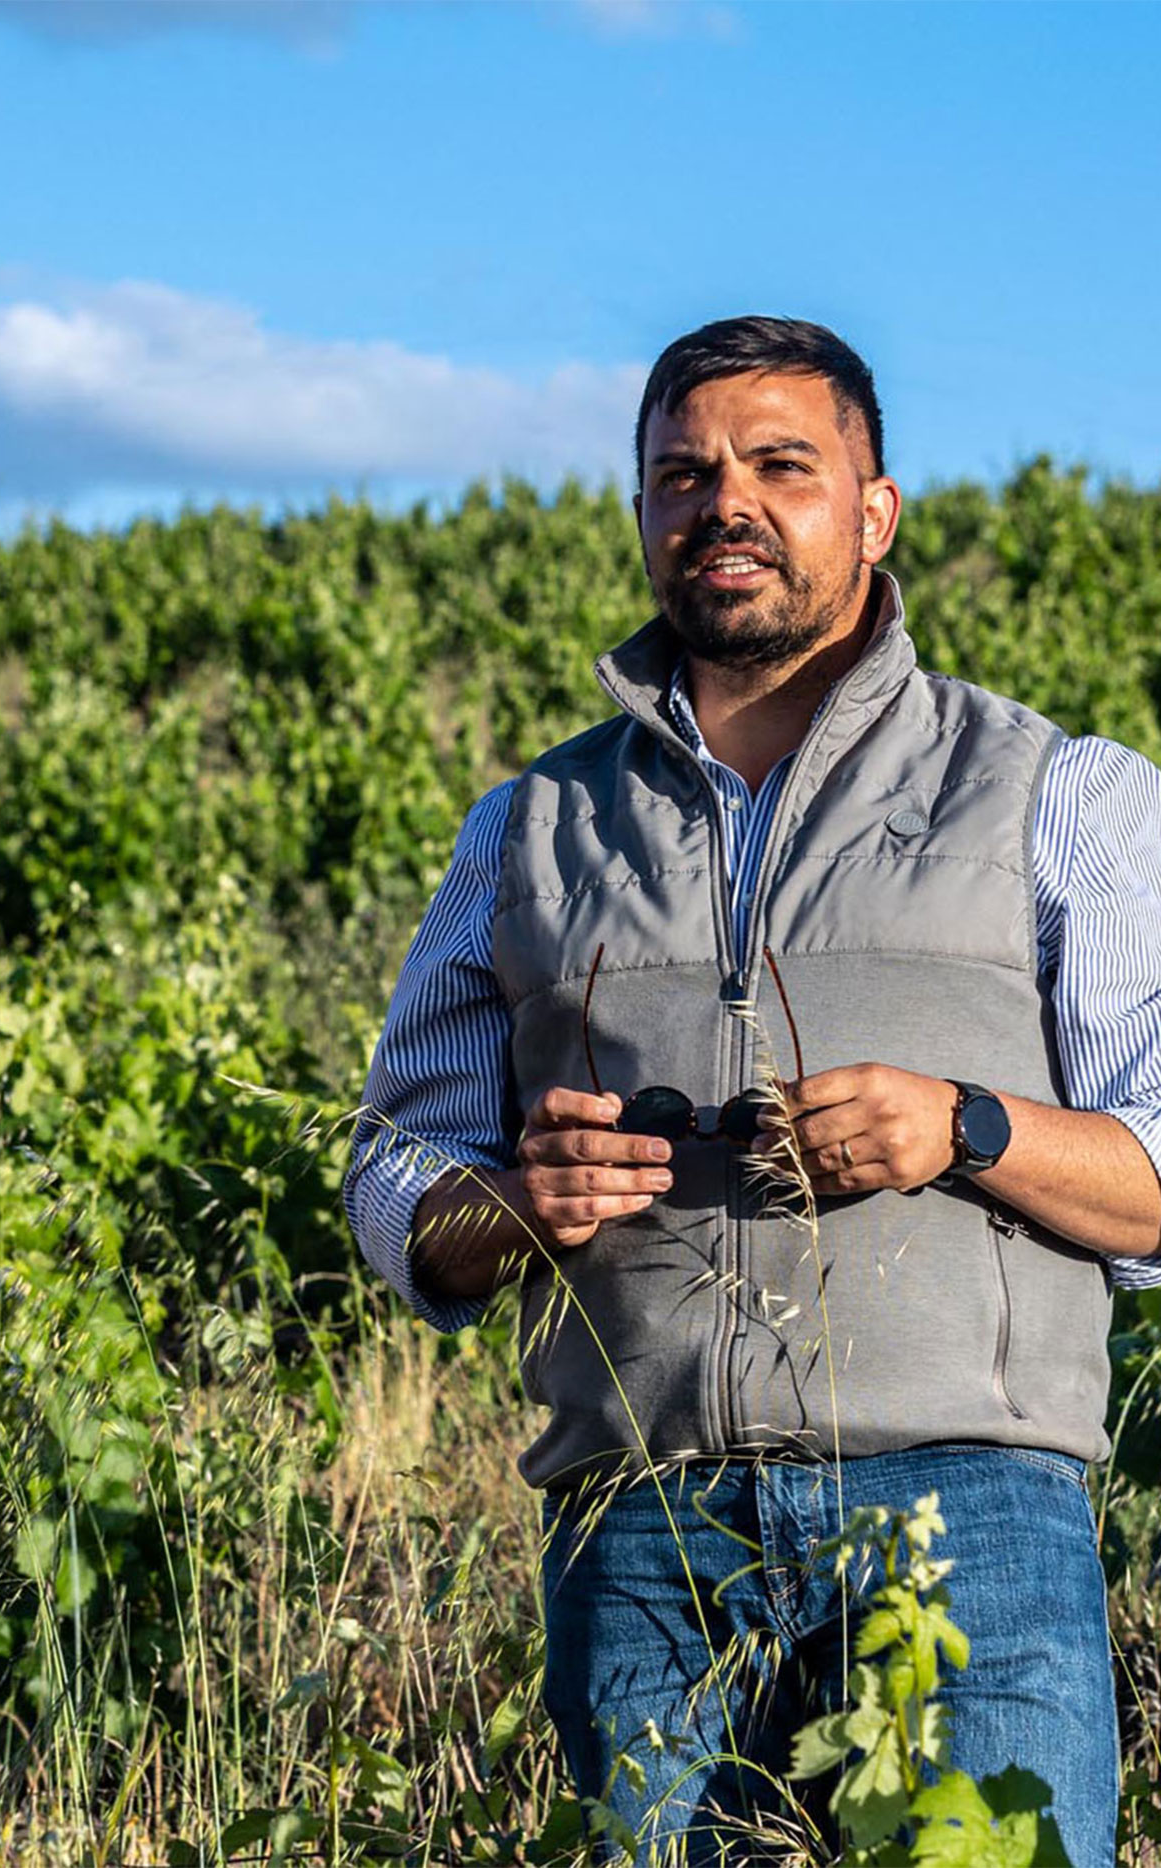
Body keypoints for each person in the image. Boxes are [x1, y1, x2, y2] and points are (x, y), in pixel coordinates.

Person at [344, 317, 1161, 1866]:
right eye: (684, 474)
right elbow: (393, 1172)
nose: (726, 503)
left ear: (876, 510)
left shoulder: (1059, 793)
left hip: (969, 1523)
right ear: (644, 514)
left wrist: (965, 1127)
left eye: (783, 465)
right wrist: (512, 1204)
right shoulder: (524, 829)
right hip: (641, 1538)